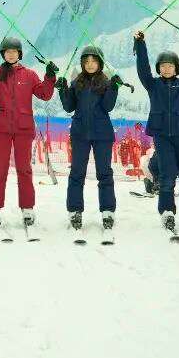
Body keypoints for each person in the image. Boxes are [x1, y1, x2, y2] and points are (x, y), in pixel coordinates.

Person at [0, 37, 58, 229]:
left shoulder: (29, 75)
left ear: (20, 54)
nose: (11, 54)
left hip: (23, 128)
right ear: (3, 54)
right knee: (0, 168)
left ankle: (27, 208)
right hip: (1, 128)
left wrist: (49, 76)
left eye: (14, 51)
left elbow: (45, 95)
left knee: (25, 169)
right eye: (8, 51)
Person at [134, 30, 179, 232]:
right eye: (163, 66)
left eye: (170, 65)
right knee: (168, 174)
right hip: (162, 135)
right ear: (159, 69)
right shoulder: (153, 85)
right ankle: (167, 212)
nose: (167, 69)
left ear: (176, 68)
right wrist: (140, 44)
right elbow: (143, 69)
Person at [57, 45, 122, 232]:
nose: (90, 64)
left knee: (104, 173)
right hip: (80, 134)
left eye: (94, 61)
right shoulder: (77, 82)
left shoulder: (107, 82)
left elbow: (108, 106)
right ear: (82, 64)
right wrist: (62, 89)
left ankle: (108, 211)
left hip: (102, 134)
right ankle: (75, 210)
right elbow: (69, 107)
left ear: (100, 63)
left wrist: (114, 88)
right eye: (86, 61)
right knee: (77, 173)